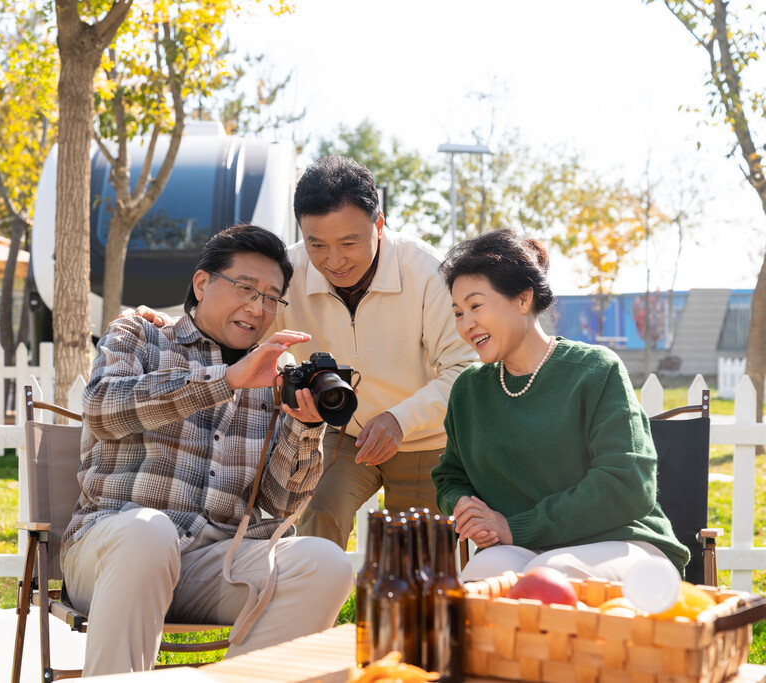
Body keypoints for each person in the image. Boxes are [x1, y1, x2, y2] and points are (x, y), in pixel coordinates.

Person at [61, 224, 355, 676]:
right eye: (246, 288)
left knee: (327, 564)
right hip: (113, 552)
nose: (258, 308)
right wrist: (228, 381)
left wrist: (305, 427)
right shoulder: (140, 335)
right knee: (149, 532)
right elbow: (102, 409)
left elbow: (279, 506)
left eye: (271, 297)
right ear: (202, 283)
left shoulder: (275, 373)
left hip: (212, 565)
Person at [431, 228, 689, 581]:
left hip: (625, 542)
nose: (466, 324)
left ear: (523, 299)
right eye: (458, 312)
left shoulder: (594, 370)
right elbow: (450, 476)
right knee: (480, 577)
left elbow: (628, 484)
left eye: (476, 305)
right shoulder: (469, 389)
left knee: (551, 575)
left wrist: (514, 526)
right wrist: (462, 505)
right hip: (523, 546)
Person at [272, 156, 477, 548]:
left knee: (420, 556)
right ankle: (310, 609)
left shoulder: (428, 271)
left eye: (349, 242)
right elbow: (240, 332)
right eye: (317, 244)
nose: (334, 261)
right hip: (341, 432)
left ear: (379, 225)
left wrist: (400, 420)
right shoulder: (288, 271)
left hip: (425, 438)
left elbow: (465, 370)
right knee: (317, 518)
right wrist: (181, 323)